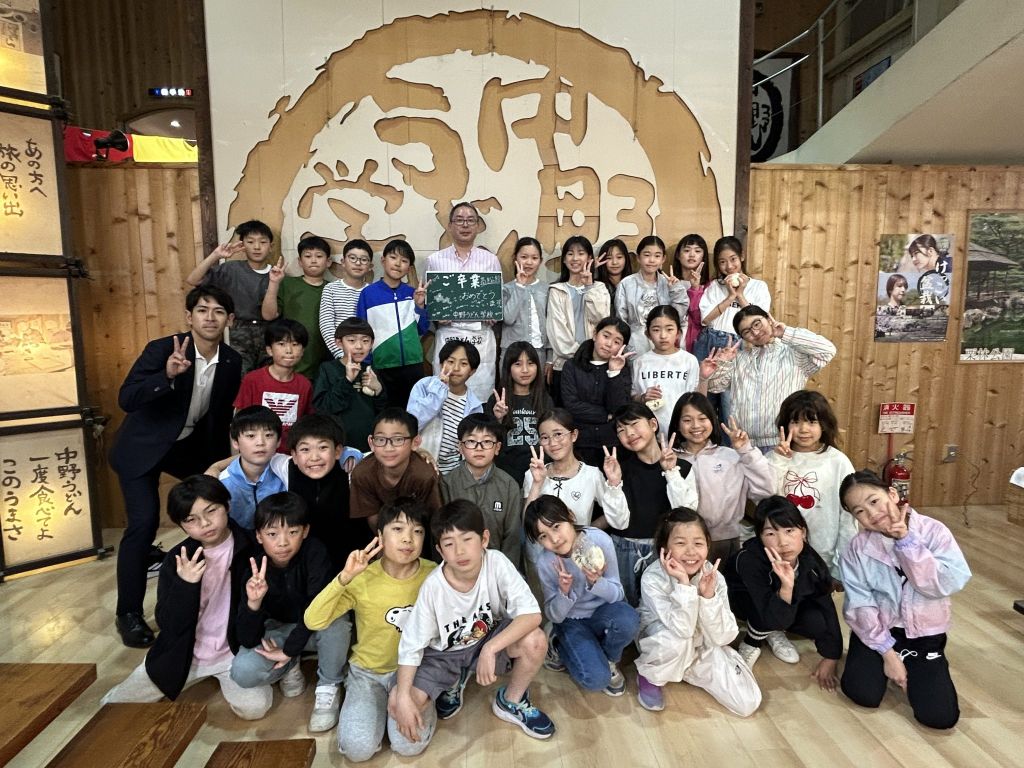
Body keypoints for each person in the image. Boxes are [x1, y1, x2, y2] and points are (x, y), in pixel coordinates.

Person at [109, 286, 241, 647]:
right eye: (202, 310)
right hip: (141, 448)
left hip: (186, 449)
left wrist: (218, 466)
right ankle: (128, 613)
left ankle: (216, 595)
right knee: (143, 523)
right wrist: (166, 376)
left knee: (221, 499)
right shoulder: (163, 349)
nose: (210, 318)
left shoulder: (231, 360)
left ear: (229, 320)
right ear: (189, 316)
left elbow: (218, 417)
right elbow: (127, 398)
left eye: (218, 311)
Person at [101, 475, 271, 719]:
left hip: (233, 653)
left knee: (255, 708)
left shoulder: (252, 547)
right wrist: (185, 585)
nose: (205, 523)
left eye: (211, 511)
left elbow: (258, 619)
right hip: (184, 651)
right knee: (113, 706)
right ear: (181, 525)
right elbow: (169, 624)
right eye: (191, 520)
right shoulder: (178, 559)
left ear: (227, 506)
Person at [389, 500, 555, 750]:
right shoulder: (433, 587)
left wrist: (490, 649)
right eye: (449, 544)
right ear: (440, 550)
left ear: (484, 539)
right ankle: (454, 677)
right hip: (443, 654)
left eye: (467, 539)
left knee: (536, 640)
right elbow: (411, 645)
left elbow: (531, 614)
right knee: (398, 702)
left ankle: (510, 701)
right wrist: (403, 696)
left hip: (486, 637)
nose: (460, 551)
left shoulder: (496, 562)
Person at [304, 499, 436, 761]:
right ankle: (370, 711)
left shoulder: (434, 575)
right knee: (357, 750)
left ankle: (401, 712)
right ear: (380, 536)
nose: (408, 539)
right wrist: (345, 577)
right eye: (397, 529)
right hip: (368, 673)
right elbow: (313, 620)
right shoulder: (362, 576)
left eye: (418, 531)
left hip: (414, 674)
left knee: (408, 746)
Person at [838, 470, 970, 729]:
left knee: (940, 718)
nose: (872, 513)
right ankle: (881, 654)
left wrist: (906, 542)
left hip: (924, 633)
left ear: (892, 494)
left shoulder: (933, 532)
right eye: (860, 511)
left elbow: (943, 584)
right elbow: (859, 604)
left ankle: (922, 664)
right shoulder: (856, 548)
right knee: (862, 693)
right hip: (880, 629)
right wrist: (889, 655)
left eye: (874, 501)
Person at [230, 492, 351, 733]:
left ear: (305, 531)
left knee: (337, 622)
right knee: (242, 671)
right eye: (272, 534)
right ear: (258, 536)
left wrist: (289, 648)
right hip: (278, 632)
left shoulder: (315, 552)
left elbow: (318, 609)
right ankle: (289, 665)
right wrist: (253, 603)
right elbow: (246, 638)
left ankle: (328, 686)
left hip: (315, 628)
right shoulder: (253, 565)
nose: (283, 542)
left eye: (293, 532)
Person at [635, 508, 760, 715]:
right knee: (678, 642)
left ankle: (684, 667)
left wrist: (708, 597)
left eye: (698, 543)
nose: (691, 552)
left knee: (747, 702)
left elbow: (723, 637)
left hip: (701, 643)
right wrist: (684, 584)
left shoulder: (713, 576)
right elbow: (682, 630)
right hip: (666, 643)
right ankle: (651, 675)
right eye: (680, 543)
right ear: (664, 547)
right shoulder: (653, 578)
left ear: (708, 545)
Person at [524, 495, 638, 696]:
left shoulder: (599, 541)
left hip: (602, 613)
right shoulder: (545, 562)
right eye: (543, 537)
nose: (554, 539)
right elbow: (554, 615)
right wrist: (564, 592)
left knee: (628, 618)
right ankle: (559, 645)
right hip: (571, 621)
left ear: (570, 516)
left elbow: (617, 594)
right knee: (595, 680)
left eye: (556, 526)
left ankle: (609, 660)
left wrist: (596, 582)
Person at [724, 496, 843, 685]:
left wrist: (832, 656)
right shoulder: (749, 560)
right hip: (742, 602)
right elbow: (766, 610)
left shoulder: (809, 559)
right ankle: (752, 641)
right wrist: (786, 586)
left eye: (789, 531)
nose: (783, 542)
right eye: (771, 533)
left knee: (817, 622)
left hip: (779, 609)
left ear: (803, 532)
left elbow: (825, 602)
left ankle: (773, 631)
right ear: (760, 537)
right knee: (764, 605)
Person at [703, 305, 836, 451]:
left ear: (768, 319)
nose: (755, 332)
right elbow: (715, 386)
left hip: (782, 443)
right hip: (744, 444)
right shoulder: (738, 359)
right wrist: (724, 363)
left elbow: (827, 351)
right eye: (746, 331)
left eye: (757, 324)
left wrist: (785, 333)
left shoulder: (794, 354)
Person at [606, 402, 699, 605]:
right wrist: (614, 483)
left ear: (653, 424)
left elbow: (687, 514)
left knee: (666, 607)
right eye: (621, 430)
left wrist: (671, 473)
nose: (629, 433)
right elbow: (618, 523)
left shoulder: (682, 468)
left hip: (666, 549)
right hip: (625, 549)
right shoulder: (619, 470)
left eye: (634, 424)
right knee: (627, 607)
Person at [670, 393, 773, 562]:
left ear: (713, 420)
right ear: (677, 424)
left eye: (702, 418)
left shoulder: (730, 456)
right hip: (681, 542)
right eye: (687, 420)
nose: (696, 425)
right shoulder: (670, 459)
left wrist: (746, 451)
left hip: (725, 540)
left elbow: (766, 490)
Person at [768, 390, 857, 580]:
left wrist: (840, 566)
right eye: (795, 421)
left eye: (812, 422)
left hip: (824, 554)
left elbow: (848, 517)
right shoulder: (774, 457)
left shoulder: (837, 461)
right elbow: (765, 498)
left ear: (824, 424)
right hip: (781, 555)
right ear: (785, 424)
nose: (803, 429)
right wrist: (778, 460)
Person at [426, 202, 502, 403]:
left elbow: (496, 299)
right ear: (450, 226)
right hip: (449, 334)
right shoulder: (435, 261)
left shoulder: (491, 260)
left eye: (470, 220)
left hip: (481, 336)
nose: (465, 225)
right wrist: (436, 316)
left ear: (477, 225)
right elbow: (429, 302)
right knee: (446, 394)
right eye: (459, 220)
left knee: (480, 396)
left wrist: (493, 314)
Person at [186, 220, 274, 374]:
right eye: (250, 242)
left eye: (263, 242)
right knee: (238, 375)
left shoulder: (277, 274)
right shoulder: (231, 269)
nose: (257, 247)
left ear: (271, 246)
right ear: (243, 245)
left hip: (269, 331)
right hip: (237, 331)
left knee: (267, 377)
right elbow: (193, 280)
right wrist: (216, 255)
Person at [356, 239, 430, 409]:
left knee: (412, 413)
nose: (398, 264)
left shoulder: (413, 293)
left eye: (404, 261)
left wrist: (419, 306)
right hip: (382, 365)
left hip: (413, 365)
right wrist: (366, 364)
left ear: (409, 268)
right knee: (385, 412)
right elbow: (362, 331)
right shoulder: (368, 294)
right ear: (383, 260)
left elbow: (422, 329)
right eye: (393, 257)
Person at [441, 414, 522, 566]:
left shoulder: (509, 485)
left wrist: (505, 573)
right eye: (471, 441)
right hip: (457, 566)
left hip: (497, 568)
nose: (479, 448)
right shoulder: (447, 484)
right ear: (460, 447)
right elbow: (442, 534)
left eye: (487, 442)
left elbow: (512, 537)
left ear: (497, 448)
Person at [349, 408, 443, 532]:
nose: (388, 448)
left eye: (398, 439)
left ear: (415, 443)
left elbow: (434, 521)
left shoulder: (424, 475)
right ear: (371, 443)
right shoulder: (363, 473)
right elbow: (374, 522)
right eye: (381, 439)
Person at [561, 316, 634, 467]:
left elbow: (619, 409)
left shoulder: (623, 370)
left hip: (613, 443)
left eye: (617, 342)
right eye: (606, 336)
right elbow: (571, 405)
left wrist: (614, 373)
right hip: (580, 442)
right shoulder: (571, 366)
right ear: (595, 334)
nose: (609, 344)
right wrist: (606, 415)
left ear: (622, 347)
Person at [546, 235, 611, 404]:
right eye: (570, 253)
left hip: (595, 363)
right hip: (565, 365)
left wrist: (589, 287)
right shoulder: (557, 290)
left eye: (581, 253)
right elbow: (557, 331)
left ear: (589, 258)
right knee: (564, 415)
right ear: (564, 260)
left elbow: (602, 321)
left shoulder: (599, 288)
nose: (575, 258)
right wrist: (582, 355)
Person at [233, 318, 313, 452]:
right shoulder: (252, 380)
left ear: (303, 350)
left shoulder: (305, 384)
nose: (289, 350)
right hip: (256, 453)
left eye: (295, 344)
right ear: (269, 350)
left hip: (289, 455)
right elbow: (238, 422)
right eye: (281, 344)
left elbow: (306, 424)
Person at [261, 234, 331, 381]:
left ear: (328, 261)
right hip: (290, 360)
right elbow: (268, 315)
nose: (313, 260)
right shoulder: (287, 284)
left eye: (319, 256)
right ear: (300, 261)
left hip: (323, 362)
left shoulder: (333, 289)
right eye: (308, 256)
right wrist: (274, 283)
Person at [407, 339, 483, 474]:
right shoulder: (424, 386)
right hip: (421, 465)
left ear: (472, 371)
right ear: (442, 364)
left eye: (464, 364)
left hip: (454, 472)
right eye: (450, 362)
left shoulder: (475, 406)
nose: (456, 368)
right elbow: (411, 425)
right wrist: (438, 391)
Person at [485, 341, 553, 486]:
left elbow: (550, 437)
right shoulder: (497, 400)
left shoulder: (545, 398)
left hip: (538, 468)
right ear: (508, 368)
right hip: (505, 471)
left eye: (530, 363)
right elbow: (488, 440)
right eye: (517, 364)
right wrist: (498, 419)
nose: (525, 370)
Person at [314, 317, 386, 451]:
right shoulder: (327, 369)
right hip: (337, 444)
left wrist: (379, 390)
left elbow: (382, 412)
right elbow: (323, 408)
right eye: (352, 341)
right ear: (339, 343)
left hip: (368, 444)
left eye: (365, 341)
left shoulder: (371, 371)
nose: (359, 346)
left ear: (372, 344)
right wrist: (347, 380)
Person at [631, 306, 700, 437]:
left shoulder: (689, 360)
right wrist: (643, 397)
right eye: (656, 330)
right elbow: (633, 396)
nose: (663, 336)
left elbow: (696, 397)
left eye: (669, 329)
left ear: (678, 333)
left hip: (682, 431)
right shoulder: (640, 362)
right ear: (648, 334)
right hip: (650, 433)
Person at [614, 235, 688, 355]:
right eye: (647, 255)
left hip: (664, 341)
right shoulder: (626, 284)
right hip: (636, 343)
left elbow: (679, 316)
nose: (652, 260)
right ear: (638, 257)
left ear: (663, 259)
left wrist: (676, 290)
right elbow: (621, 319)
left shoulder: (669, 283)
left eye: (657, 256)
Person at [216, 406, 288, 530]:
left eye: (268, 435)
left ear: (278, 441)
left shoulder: (286, 473)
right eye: (251, 436)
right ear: (235, 442)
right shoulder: (222, 483)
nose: (260, 442)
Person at [500, 236, 550, 378]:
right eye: (524, 257)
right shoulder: (507, 289)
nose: (529, 262)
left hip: (539, 353)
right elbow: (508, 318)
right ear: (515, 258)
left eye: (534, 258)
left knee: (537, 391)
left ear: (540, 261)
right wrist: (520, 286)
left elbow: (552, 325)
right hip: (511, 354)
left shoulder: (547, 289)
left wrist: (550, 358)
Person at [321, 239, 374, 360]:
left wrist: (365, 355)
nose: (358, 263)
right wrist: (342, 356)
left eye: (364, 259)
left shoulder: (373, 291)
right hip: (339, 356)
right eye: (352, 258)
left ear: (370, 266)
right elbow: (326, 326)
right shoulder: (330, 289)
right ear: (343, 262)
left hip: (366, 357)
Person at [673, 234, 710, 354]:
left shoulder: (710, 286)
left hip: (697, 344)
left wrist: (695, 289)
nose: (692, 255)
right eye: (687, 250)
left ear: (703, 256)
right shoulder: (669, 283)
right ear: (678, 255)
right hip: (670, 342)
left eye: (697, 251)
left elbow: (701, 319)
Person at [595, 238, 632, 306]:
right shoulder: (596, 285)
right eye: (609, 258)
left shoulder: (633, 284)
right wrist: (592, 270)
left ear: (626, 258)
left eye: (619, 257)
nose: (614, 262)